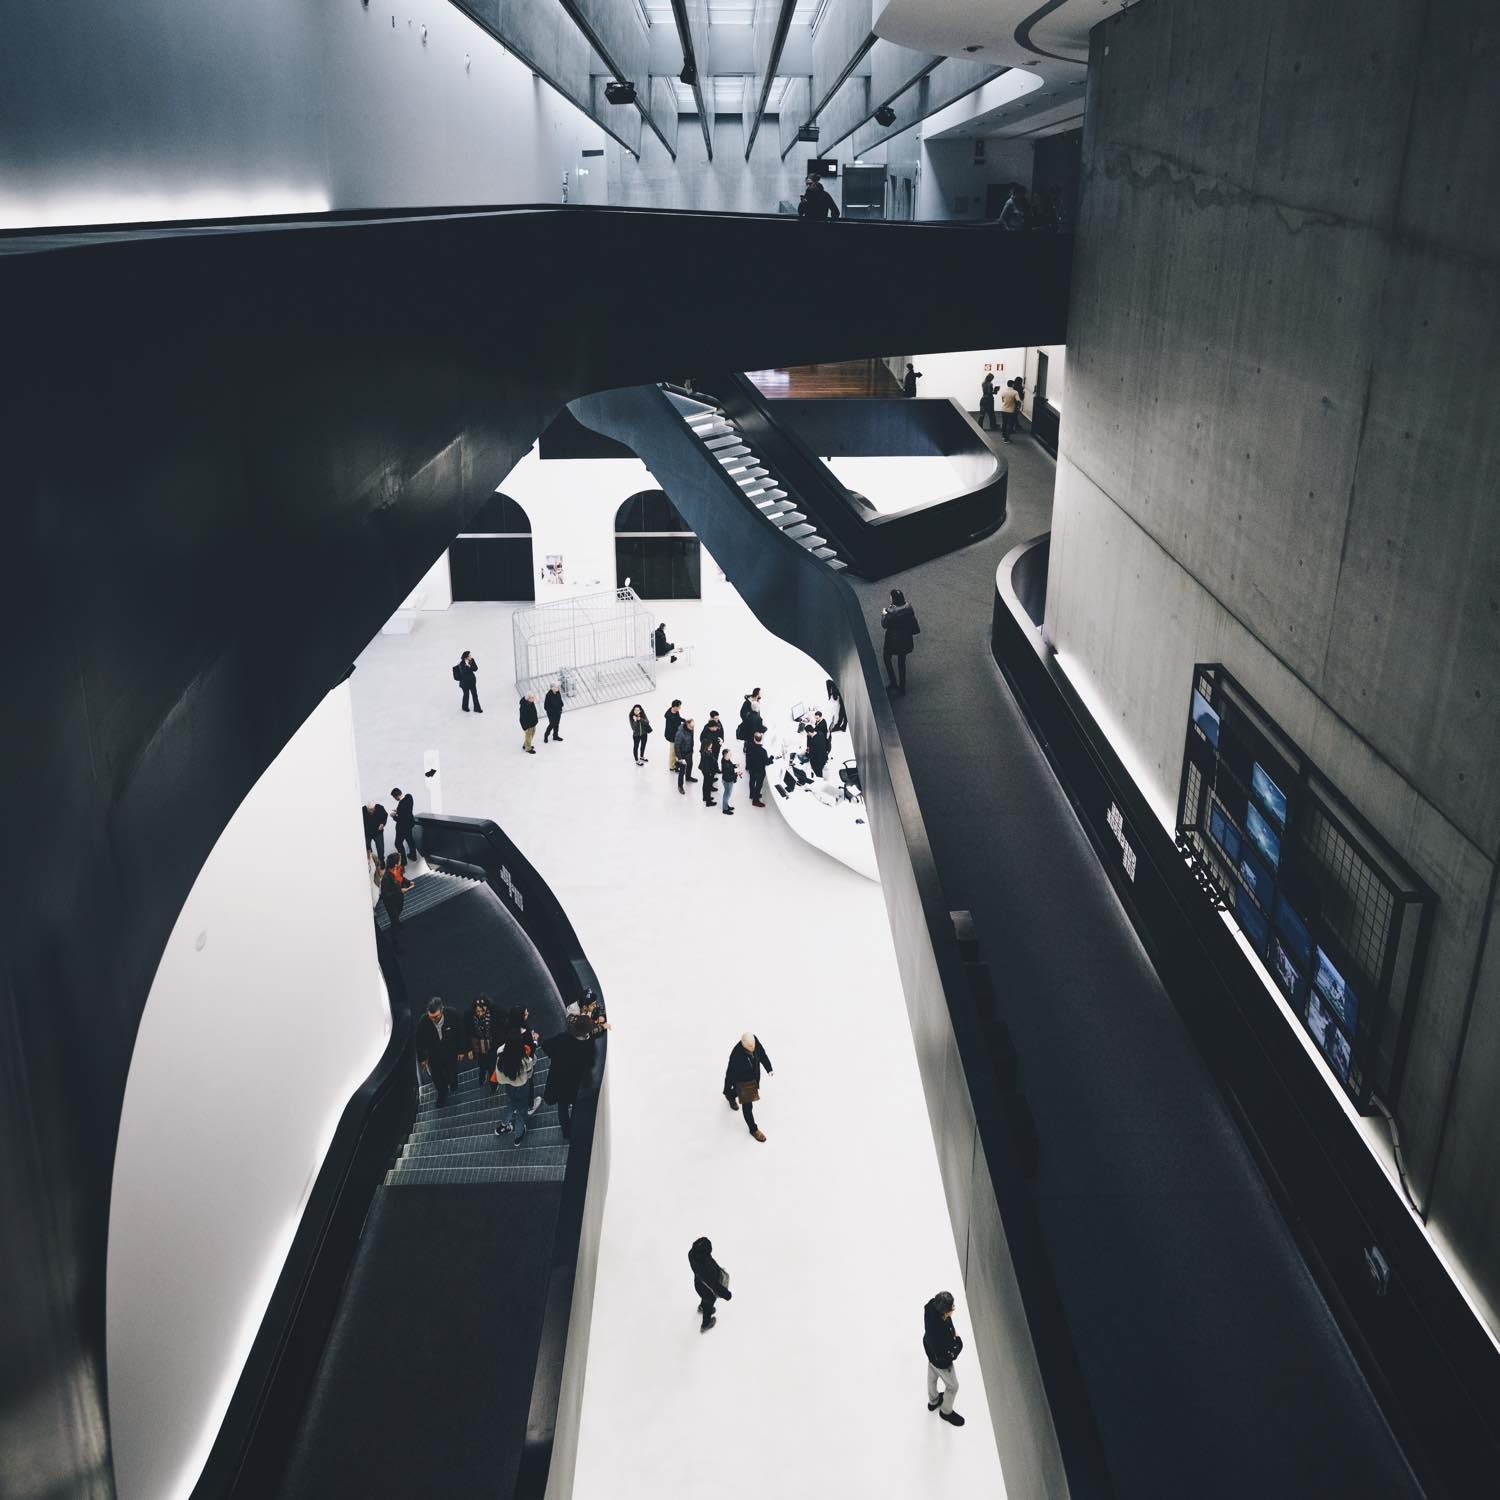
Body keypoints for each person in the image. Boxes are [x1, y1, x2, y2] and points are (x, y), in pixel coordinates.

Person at [546, 1005, 603, 1138]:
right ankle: (574, 1128)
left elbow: (547, 1047)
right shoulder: (587, 1046)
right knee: (575, 1105)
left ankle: (567, 1132)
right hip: (576, 1085)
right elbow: (590, 1063)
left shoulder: (563, 1039)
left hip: (560, 1082)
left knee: (562, 1107)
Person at [923, 1291, 966, 1426]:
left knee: (932, 1374)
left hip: (930, 1353)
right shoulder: (940, 1335)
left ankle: (933, 1401)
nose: (953, 1308)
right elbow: (948, 1354)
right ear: (945, 1313)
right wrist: (958, 1342)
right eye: (951, 1308)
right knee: (953, 1386)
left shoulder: (931, 1306)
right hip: (941, 1361)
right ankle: (946, 1412)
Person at [723, 1031, 774, 1143]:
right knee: (747, 1107)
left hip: (753, 1078)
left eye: (754, 1044)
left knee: (735, 1092)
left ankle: (730, 1095)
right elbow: (730, 1074)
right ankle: (753, 1129)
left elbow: (762, 1054)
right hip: (743, 1083)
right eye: (750, 1046)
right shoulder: (736, 1056)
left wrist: (769, 1068)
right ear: (744, 1044)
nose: (753, 1047)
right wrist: (726, 1088)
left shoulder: (753, 1040)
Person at [416, 997, 464, 1108]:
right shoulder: (424, 1021)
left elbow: (461, 1032)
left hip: (450, 1052)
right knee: (437, 1077)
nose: (433, 1019)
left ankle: (453, 1084)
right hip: (434, 1055)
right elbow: (419, 1041)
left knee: (452, 1072)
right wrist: (422, 1058)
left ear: (442, 1010)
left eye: (436, 1017)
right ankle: (442, 1094)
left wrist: (462, 1050)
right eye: (431, 1017)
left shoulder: (452, 1015)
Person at [491, 1029, 536, 1143]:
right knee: (521, 1111)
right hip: (522, 1087)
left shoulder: (500, 1058)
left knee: (511, 1104)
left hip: (509, 1087)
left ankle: (503, 1126)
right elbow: (530, 1073)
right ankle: (518, 1135)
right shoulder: (524, 1060)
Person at [506, 1003, 544, 1114]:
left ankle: (517, 1104)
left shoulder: (508, 1027)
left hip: (512, 1063)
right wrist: (535, 1040)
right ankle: (530, 1105)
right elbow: (530, 1049)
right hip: (525, 1063)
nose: (528, 1013)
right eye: (526, 1013)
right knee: (529, 1083)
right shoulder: (525, 1032)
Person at [689, 1236, 733, 1332]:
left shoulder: (693, 1254)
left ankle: (701, 1307)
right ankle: (706, 1324)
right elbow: (714, 1285)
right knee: (708, 1302)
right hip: (707, 1290)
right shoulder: (704, 1270)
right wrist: (726, 1294)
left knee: (704, 1298)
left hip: (699, 1285)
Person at [881, 587, 919, 694]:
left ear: (893, 599)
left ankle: (893, 682)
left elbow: (884, 624)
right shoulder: (909, 608)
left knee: (886, 657)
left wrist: (884, 614)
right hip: (906, 639)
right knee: (902, 661)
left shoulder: (891, 612)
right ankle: (902, 686)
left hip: (892, 641)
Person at [378, 852, 410, 949]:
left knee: (398, 913)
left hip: (399, 900)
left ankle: (397, 922)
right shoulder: (386, 879)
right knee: (394, 922)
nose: (401, 862)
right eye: (399, 861)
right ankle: (395, 943)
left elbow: (401, 878)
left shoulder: (398, 869)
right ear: (395, 864)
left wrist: (407, 882)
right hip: (391, 904)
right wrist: (400, 891)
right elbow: (385, 895)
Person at [465, 994, 497, 1091]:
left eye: (482, 1011)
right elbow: (467, 1033)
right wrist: (469, 1049)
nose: (480, 1013)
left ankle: (493, 1085)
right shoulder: (471, 1018)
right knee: (482, 1066)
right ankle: (482, 1079)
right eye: (477, 1011)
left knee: (492, 1067)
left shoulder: (492, 1016)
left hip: (491, 1047)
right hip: (479, 1047)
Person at [390, 786, 417, 862]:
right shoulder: (409, 797)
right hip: (410, 824)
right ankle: (413, 856)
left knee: (398, 843)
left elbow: (400, 819)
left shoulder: (401, 805)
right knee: (410, 840)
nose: (395, 799)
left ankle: (403, 860)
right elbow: (406, 811)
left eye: (394, 797)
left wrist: (393, 816)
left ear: (396, 796)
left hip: (402, 827)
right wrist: (398, 811)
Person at [745, 730, 770, 808]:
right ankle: (755, 801)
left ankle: (752, 794)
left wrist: (748, 766)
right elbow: (766, 762)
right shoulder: (763, 751)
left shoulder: (749, 747)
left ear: (754, 739)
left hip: (752, 769)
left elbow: (747, 757)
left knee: (752, 781)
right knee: (758, 785)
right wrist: (771, 759)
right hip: (759, 771)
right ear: (761, 739)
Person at [805, 710, 831, 778]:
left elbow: (811, 756)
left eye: (807, 733)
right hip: (824, 754)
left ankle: (819, 776)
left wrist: (807, 753)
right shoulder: (821, 734)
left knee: (810, 763)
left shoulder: (813, 743)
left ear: (809, 732)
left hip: (819, 762)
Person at [675, 717, 697, 794]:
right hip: (682, 754)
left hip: (689, 751)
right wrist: (680, 758)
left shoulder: (691, 729)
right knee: (682, 770)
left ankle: (688, 777)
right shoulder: (680, 733)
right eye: (691, 726)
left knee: (690, 765)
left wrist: (691, 749)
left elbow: (691, 739)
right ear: (687, 724)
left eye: (693, 726)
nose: (692, 728)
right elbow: (676, 746)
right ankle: (680, 786)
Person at [699, 735, 720, 808]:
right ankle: (708, 801)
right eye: (710, 745)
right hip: (708, 771)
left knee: (705, 784)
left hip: (705, 771)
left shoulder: (705, 752)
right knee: (707, 786)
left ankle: (705, 797)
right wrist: (710, 772)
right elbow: (708, 765)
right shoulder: (706, 755)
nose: (711, 746)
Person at [663, 700, 683, 774]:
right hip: (672, 736)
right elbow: (671, 729)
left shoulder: (676, 711)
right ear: (675, 707)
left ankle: (675, 764)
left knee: (677, 750)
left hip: (677, 735)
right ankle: (672, 766)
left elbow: (678, 719)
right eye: (679, 706)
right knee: (673, 752)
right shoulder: (670, 717)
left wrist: (684, 720)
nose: (680, 708)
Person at [998, 379, 1020, 444]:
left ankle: (1003, 435)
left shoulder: (1004, 392)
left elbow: (1003, 400)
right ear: (1013, 384)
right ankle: (1006, 439)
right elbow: (1018, 400)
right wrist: (1018, 407)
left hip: (1003, 410)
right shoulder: (1015, 392)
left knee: (1004, 423)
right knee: (1009, 424)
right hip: (1011, 410)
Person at [720, 748, 738, 815]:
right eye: (729, 754)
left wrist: (734, 766)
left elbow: (730, 766)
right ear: (726, 755)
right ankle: (725, 809)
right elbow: (728, 777)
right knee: (727, 795)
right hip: (727, 782)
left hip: (727, 781)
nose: (731, 755)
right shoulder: (725, 765)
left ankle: (726, 806)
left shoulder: (726, 760)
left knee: (728, 794)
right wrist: (736, 774)